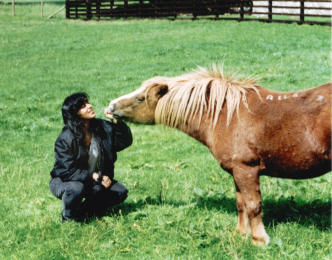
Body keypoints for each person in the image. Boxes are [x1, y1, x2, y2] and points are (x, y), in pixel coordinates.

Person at [49, 92, 132, 221]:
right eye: (82, 106)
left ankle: (84, 213)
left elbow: (124, 141)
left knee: (119, 191)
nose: (89, 106)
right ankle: (68, 218)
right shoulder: (66, 138)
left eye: (87, 102)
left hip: (92, 180)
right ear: (74, 113)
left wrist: (116, 121)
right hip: (65, 181)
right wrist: (94, 176)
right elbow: (65, 171)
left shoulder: (101, 127)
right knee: (76, 188)